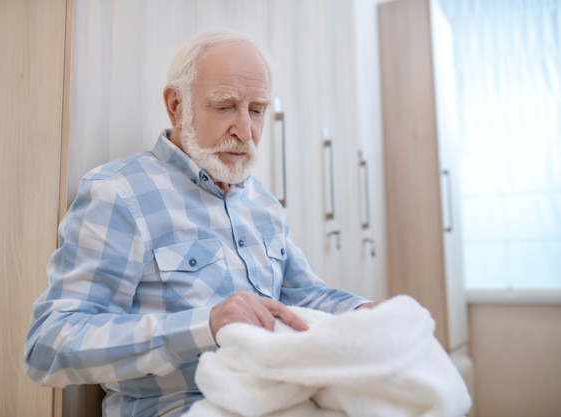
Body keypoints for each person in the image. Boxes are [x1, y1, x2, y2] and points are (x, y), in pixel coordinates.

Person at [24, 29, 378, 417]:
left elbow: (303, 297)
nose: (245, 132)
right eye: (225, 106)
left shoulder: (260, 201)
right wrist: (205, 326)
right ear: (176, 105)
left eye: (257, 109)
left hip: (279, 398)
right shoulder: (119, 194)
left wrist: (367, 315)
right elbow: (49, 347)